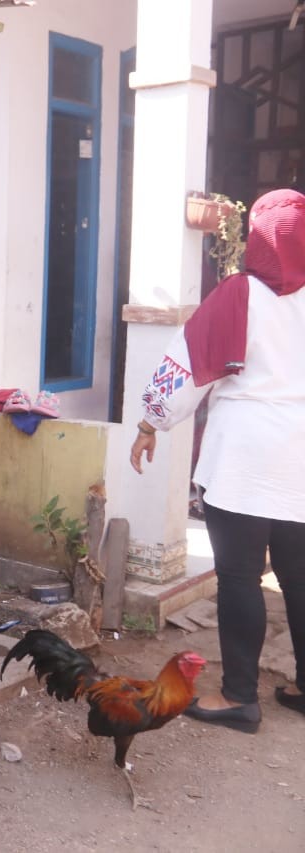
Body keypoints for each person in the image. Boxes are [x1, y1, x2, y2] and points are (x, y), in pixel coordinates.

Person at [131, 188, 305, 734]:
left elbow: (185, 367)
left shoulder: (239, 294)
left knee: (238, 578)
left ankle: (240, 698)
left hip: (245, 458)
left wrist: (150, 422)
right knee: (299, 578)